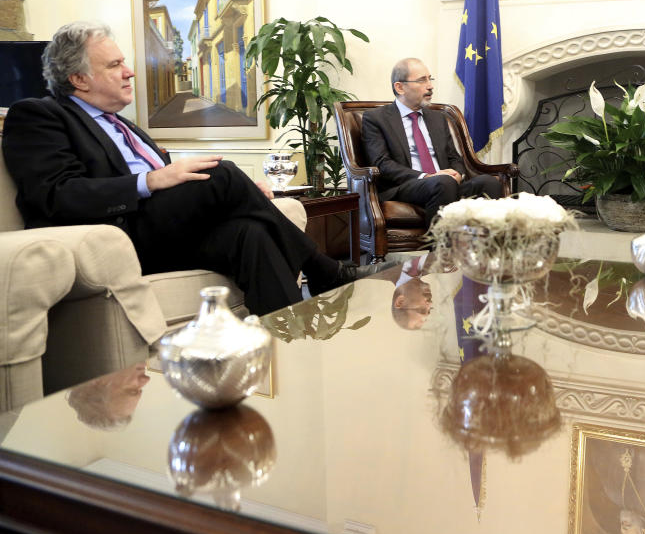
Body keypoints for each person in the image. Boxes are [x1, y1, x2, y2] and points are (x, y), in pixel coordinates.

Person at [2, 21, 389, 316]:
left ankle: (284, 346)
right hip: (114, 234)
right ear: (78, 79)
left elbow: (175, 184)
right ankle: (325, 271)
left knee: (250, 233)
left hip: (160, 230)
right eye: (116, 64)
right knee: (220, 172)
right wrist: (150, 180)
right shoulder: (38, 115)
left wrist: (241, 194)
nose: (130, 72)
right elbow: (54, 195)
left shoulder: (123, 124)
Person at [361, 57, 503, 225]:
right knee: (443, 183)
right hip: (406, 186)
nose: (430, 86)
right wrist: (428, 176)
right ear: (400, 87)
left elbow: (454, 157)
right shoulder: (376, 119)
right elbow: (382, 163)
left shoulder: (438, 118)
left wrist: (457, 174)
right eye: (422, 80)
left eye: (430, 79)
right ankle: (440, 249)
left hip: (445, 183)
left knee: (488, 182)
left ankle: (488, 248)